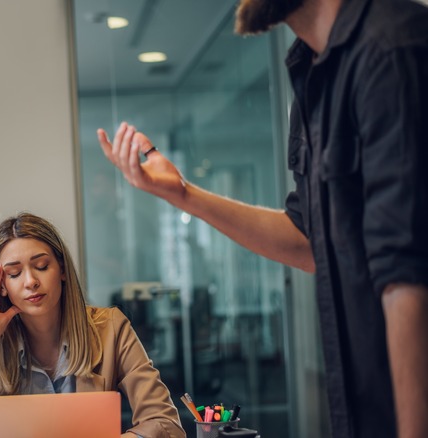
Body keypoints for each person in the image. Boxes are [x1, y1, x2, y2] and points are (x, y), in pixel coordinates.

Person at [97, 0, 428, 437]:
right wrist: (183, 195)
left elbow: (407, 277)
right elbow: (309, 241)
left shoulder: (393, 46)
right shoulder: (314, 70)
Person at [0, 213, 186, 438]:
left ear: (62, 269)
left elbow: (165, 424)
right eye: (14, 274)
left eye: (42, 266)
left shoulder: (110, 328)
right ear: (1, 286)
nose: (31, 282)